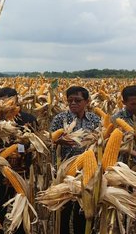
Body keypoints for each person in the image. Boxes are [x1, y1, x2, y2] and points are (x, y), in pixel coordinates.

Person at [50, 86, 100, 234]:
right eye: (69, 100)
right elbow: (49, 140)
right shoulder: (60, 119)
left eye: (77, 100)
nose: (73, 103)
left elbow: (101, 140)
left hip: (87, 170)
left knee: (83, 209)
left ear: (87, 101)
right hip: (65, 171)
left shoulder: (94, 119)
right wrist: (59, 141)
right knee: (64, 209)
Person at [0, 87, 37, 234]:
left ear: (16, 99)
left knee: (21, 204)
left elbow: (35, 143)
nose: (3, 104)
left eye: (6, 100)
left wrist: (20, 147)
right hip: (0, 172)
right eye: (0, 101)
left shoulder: (29, 120)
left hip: (23, 170)